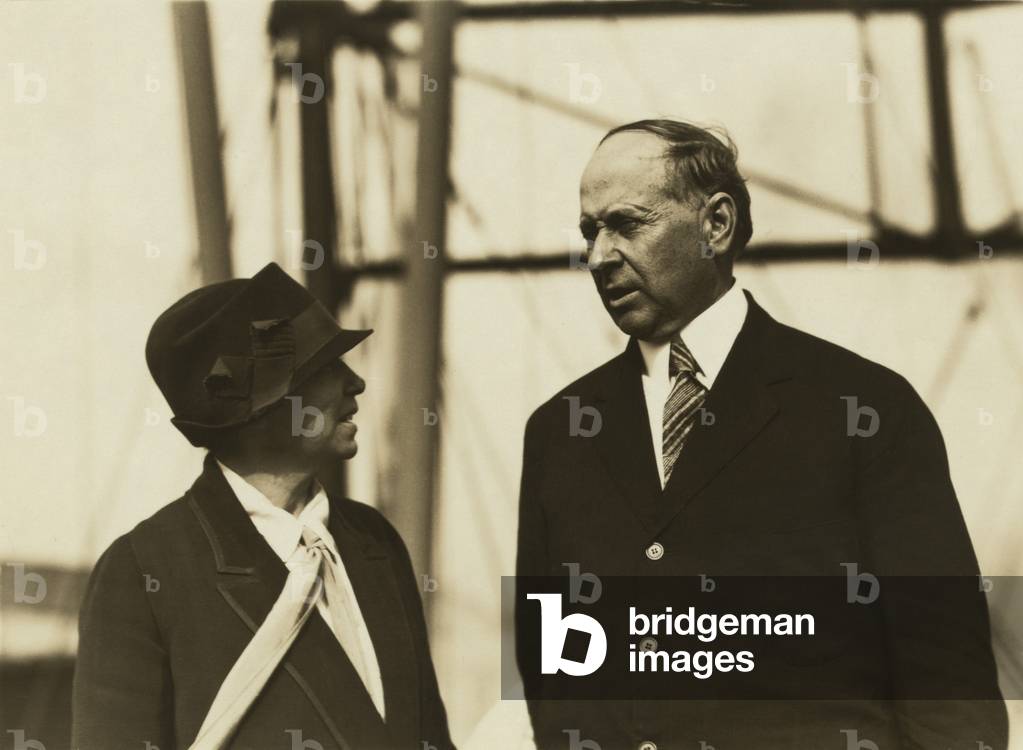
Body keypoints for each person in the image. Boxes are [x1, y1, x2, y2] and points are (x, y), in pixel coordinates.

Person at [515, 119, 1007, 749]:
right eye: (590, 231)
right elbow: (553, 673)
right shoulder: (559, 432)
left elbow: (948, 687)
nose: (599, 256)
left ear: (715, 225)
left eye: (628, 224)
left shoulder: (863, 409)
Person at [73, 262, 453, 750]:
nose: (355, 383)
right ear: (265, 404)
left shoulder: (376, 542)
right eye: (326, 367)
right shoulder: (144, 572)